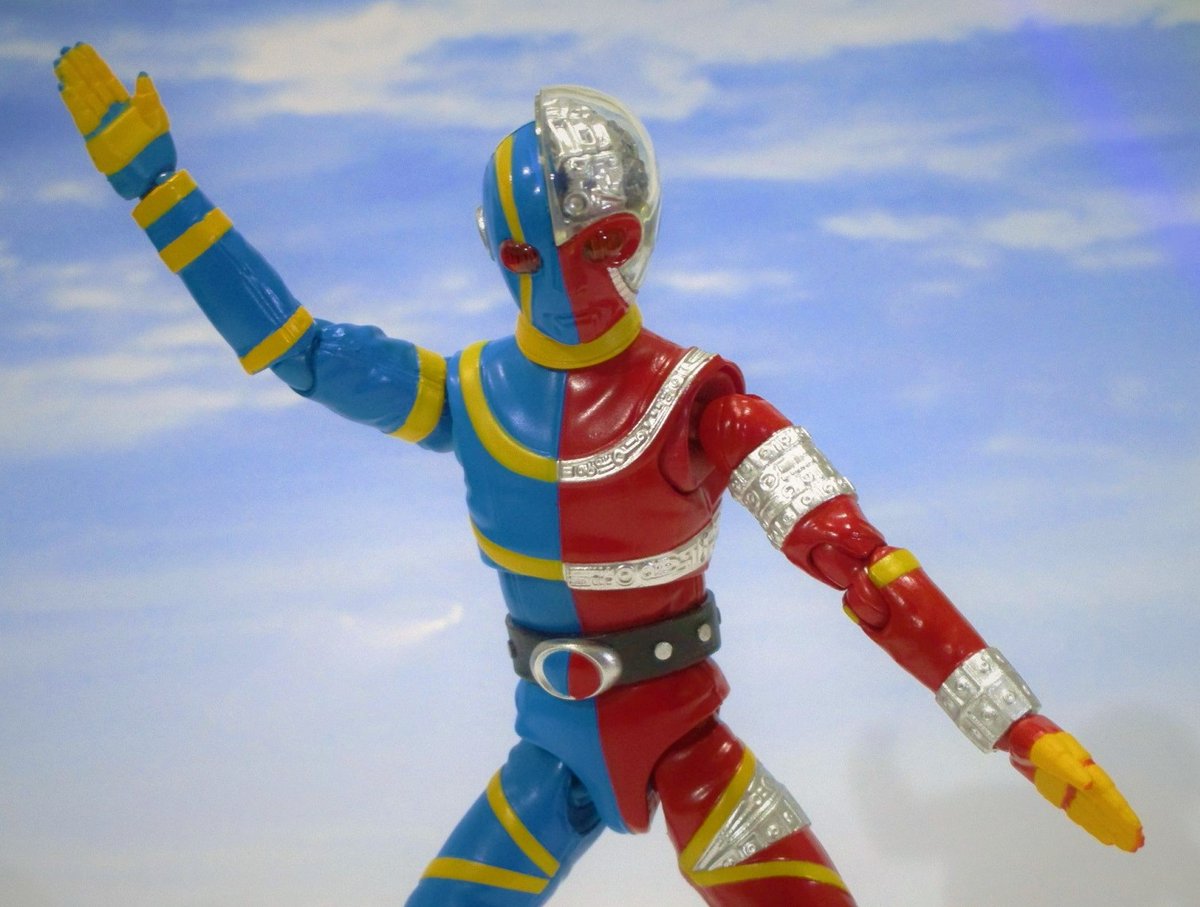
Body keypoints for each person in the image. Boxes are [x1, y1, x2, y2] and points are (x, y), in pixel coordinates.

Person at [54, 43, 1142, 906]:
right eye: (544, 252)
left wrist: (1020, 731)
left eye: (597, 243)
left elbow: (866, 566)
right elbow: (300, 351)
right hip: (554, 758)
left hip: (688, 749)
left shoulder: (705, 406)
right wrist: (160, 191)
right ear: (507, 254)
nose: (576, 276)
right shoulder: (469, 392)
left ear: (630, 237)